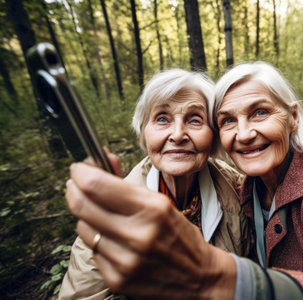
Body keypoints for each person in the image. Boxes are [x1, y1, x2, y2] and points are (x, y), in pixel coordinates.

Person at [64, 63, 303, 299]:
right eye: (229, 119)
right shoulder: (244, 186)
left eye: (260, 112)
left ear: (293, 117)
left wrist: (215, 279)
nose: (244, 133)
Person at [58, 69, 252, 299]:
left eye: (195, 120)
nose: (178, 134)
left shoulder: (237, 186)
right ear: (144, 132)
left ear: (214, 136)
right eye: (162, 119)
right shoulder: (112, 213)